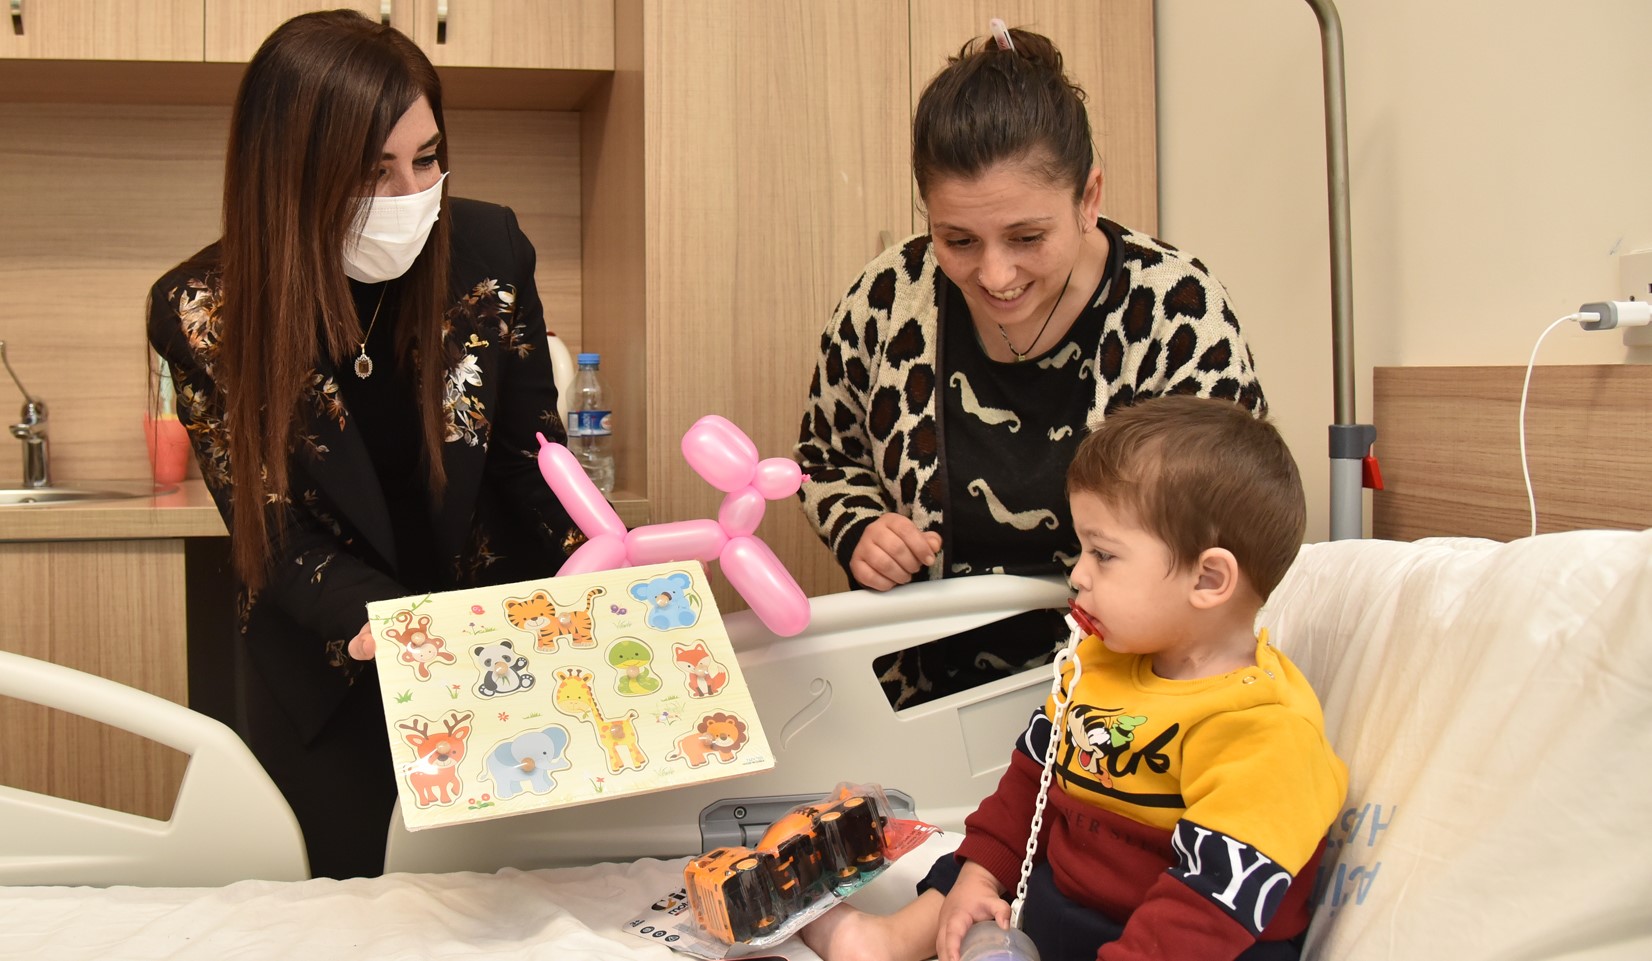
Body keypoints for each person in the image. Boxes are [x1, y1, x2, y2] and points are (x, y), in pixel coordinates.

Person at [147, 10, 578, 879]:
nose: (410, 194)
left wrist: (599, 571)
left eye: (427, 158)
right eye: (372, 170)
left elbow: (534, 462)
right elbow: (272, 529)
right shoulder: (205, 309)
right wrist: (394, 627)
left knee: (506, 902)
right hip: (331, 668)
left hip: (492, 655)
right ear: (291, 171)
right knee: (351, 905)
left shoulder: (489, 251)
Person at [795, 25, 1268, 709]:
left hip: (1124, 702)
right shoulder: (889, 297)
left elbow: (1237, 519)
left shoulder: (1176, 314)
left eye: (1027, 237)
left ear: (1089, 198)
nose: (995, 274)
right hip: (921, 700)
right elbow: (823, 457)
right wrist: (861, 527)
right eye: (958, 240)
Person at [802, 394, 1347, 961]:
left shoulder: (1263, 732)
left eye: (1103, 555)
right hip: (1061, 907)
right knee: (978, 859)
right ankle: (889, 941)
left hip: (1176, 944)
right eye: (1083, 549)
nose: (1079, 574)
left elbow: (1207, 911)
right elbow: (1028, 786)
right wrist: (979, 879)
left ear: (1208, 579)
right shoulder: (1101, 664)